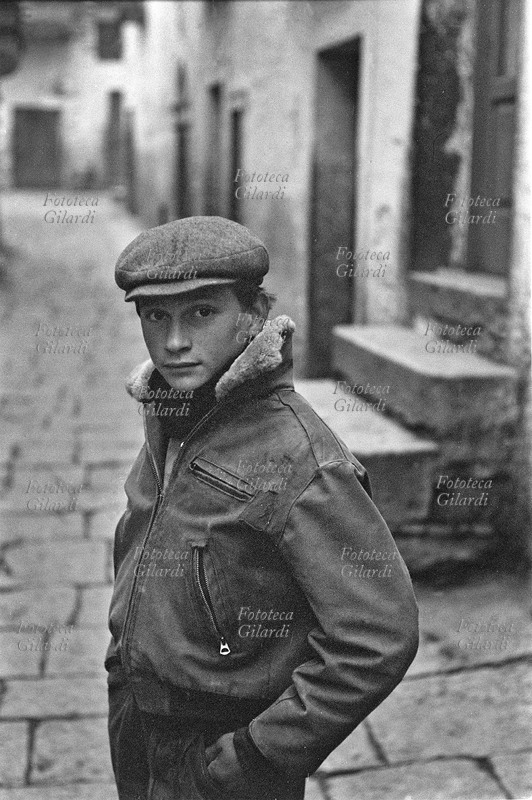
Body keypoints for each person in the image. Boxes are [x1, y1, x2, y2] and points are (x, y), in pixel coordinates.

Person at [106, 216, 419, 800]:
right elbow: (141, 545)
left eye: (202, 313)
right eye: (156, 316)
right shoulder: (172, 413)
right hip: (140, 726)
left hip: (221, 748)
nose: (175, 341)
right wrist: (121, 661)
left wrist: (255, 755)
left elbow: (376, 636)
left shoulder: (299, 456)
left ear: (252, 315)